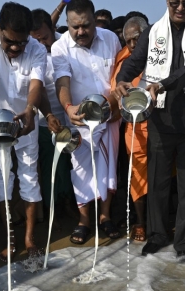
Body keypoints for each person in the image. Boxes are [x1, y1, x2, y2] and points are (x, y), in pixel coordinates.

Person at [115, 0, 185, 257]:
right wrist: (121, 80)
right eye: (175, 2)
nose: (180, 7)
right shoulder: (153, 30)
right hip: (160, 118)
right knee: (158, 180)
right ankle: (157, 234)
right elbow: (136, 60)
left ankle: (184, 240)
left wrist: (163, 83)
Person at [0, 2, 59, 261]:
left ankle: (29, 239)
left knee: (30, 179)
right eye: (10, 41)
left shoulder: (36, 49)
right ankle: (10, 239)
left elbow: (36, 86)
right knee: (3, 183)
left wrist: (31, 109)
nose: (15, 48)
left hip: (25, 126)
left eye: (21, 43)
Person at [52, 0, 122, 244]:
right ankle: (84, 220)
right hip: (79, 120)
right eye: (75, 27)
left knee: (108, 166)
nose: (81, 31)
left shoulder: (111, 39)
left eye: (86, 26)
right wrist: (68, 108)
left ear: (94, 22)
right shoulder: (60, 47)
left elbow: (118, 76)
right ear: (67, 25)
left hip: (111, 115)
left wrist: (115, 106)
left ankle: (105, 216)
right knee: (81, 169)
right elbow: (62, 81)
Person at [30, 9, 74, 230]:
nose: (40, 43)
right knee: (50, 168)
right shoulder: (32, 54)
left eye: (44, 38)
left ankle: (68, 203)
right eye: (35, 39)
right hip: (45, 122)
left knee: (67, 166)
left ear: (53, 28)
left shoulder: (65, 48)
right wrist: (48, 117)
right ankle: (51, 210)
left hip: (69, 119)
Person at [110, 16, 149, 242]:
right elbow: (115, 91)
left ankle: (159, 223)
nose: (133, 45)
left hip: (163, 127)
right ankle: (140, 223)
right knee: (137, 178)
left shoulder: (159, 54)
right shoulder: (122, 59)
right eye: (128, 40)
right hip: (133, 128)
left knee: (162, 178)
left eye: (137, 38)